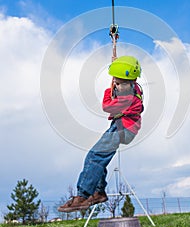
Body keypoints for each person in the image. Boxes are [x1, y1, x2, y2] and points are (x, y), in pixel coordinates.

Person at [58, 56, 143, 213]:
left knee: (94, 157)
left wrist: (113, 92)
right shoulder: (131, 87)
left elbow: (106, 106)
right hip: (119, 126)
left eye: (120, 83)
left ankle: (83, 196)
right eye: (116, 82)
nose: (117, 85)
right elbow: (111, 100)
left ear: (131, 83)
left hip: (124, 129)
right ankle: (99, 192)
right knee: (97, 157)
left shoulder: (130, 98)